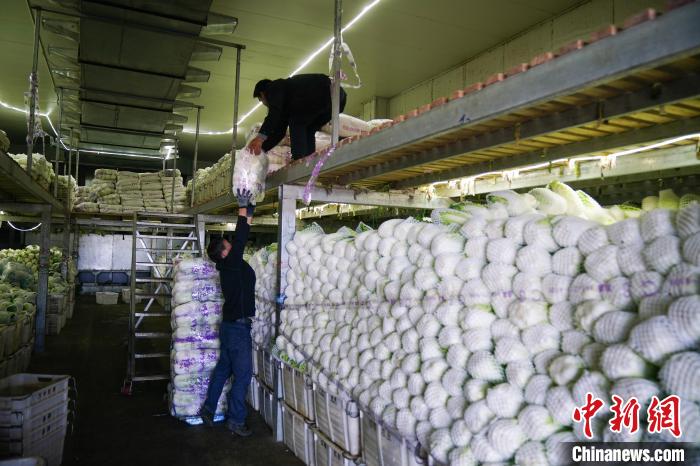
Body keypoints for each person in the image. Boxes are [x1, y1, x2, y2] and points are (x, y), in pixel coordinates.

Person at [200, 188, 256, 437]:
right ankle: (235, 420)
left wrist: (249, 209)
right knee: (242, 376)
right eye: (228, 245)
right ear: (224, 252)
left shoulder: (227, 266)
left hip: (229, 326)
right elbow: (241, 236)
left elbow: (244, 232)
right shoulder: (231, 263)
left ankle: (208, 410)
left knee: (223, 369)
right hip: (238, 330)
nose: (232, 246)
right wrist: (241, 207)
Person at [246, 73, 347, 160]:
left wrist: (259, 138)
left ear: (262, 94)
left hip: (324, 90)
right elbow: (279, 132)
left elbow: (273, 114)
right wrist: (262, 149)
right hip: (338, 97)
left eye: (261, 100)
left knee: (296, 122)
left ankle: (299, 159)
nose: (264, 104)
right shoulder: (287, 103)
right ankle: (309, 160)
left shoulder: (273, 87)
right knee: (309, 128)